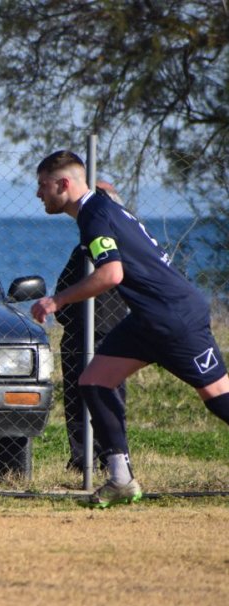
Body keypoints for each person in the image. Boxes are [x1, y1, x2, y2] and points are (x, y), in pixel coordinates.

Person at [32, 150, 229, 507]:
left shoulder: (95, 215)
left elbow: (111, 274)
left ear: (64, 183)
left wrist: (56, 301)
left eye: (43, 186)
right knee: (93, 381)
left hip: (173, 318)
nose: (38, 194)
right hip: (147, 319)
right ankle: (120, 480)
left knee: (219, 399)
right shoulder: (99, 210)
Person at [56, 181, 128, 472]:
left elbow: (64, 287)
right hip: (106, 331)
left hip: (92, 331)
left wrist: (65, 314)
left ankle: (87, 457)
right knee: (104, 397)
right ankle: (103, 456)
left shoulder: (93, 247)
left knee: (85, 397)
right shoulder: (124, 246)